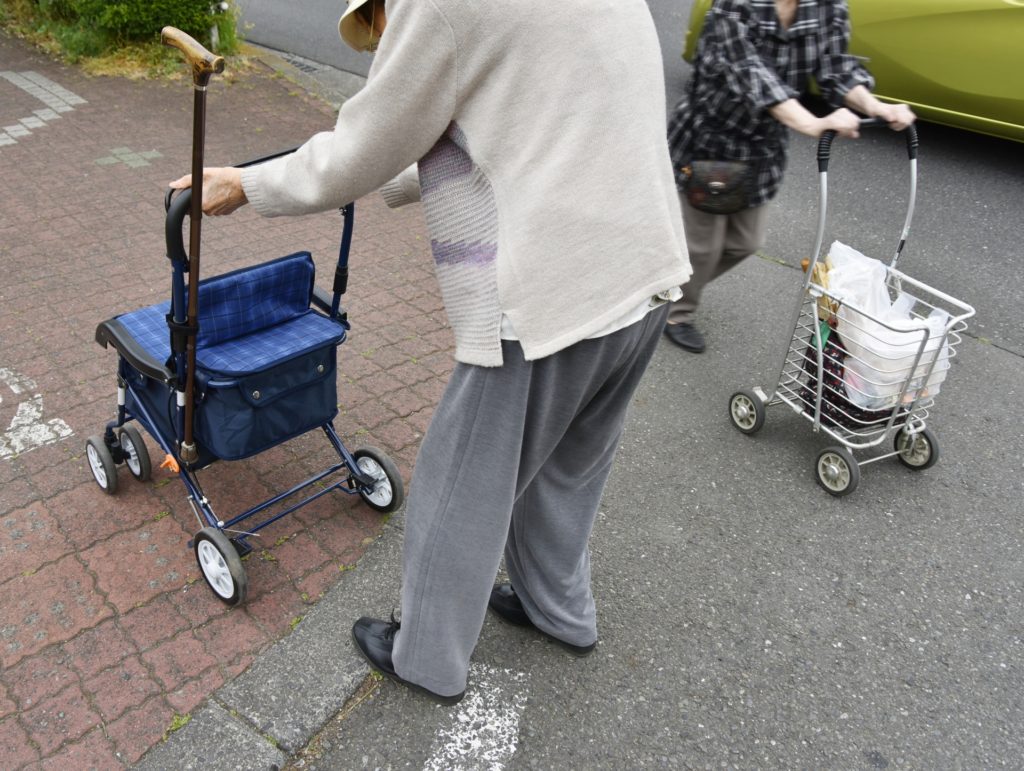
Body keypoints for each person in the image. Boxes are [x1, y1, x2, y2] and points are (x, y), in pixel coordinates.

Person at [171, 0, 691, 704]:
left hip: (548, 292)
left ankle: (426, 655)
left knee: (460, 480)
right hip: (644, 267)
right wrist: (383, 171)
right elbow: (520, 116)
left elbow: (363, 145)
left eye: (378, 29)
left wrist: (251, 183)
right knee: (567, 467)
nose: (384, 43)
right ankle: (559, 609)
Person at [662, 0, 916, 354]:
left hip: (763, 148)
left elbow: (835, 66)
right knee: (703, 247)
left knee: (744, 243)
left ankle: (663, 284)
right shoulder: (735, 6)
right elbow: (748, 71)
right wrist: (811, 123)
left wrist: (875, 106)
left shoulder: (827, 7)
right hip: (713, 141)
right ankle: (673, 312)